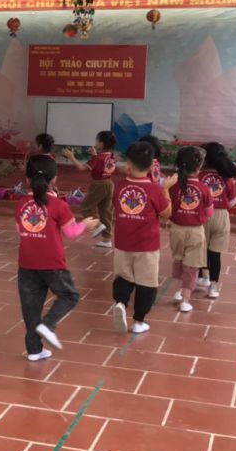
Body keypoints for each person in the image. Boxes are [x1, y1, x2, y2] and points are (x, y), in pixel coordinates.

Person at [16, 154, 99, 361]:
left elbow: (20, 230)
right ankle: (49, 324)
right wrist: (85, 224)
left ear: (27, 178)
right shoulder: (59, 205)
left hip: (26, 263)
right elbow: (71, 233)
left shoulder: (21, 203)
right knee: (70, 296)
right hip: (52, 263)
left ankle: (34, 351)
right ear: (54, 179)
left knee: (31, 308)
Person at [111, 142, 172, 334]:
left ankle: (121, 303)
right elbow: (166, 214)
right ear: (151, 165)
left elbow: (115, 207)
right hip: (147, 245)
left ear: (128, 165)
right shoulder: (155, 189)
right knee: (146, 282)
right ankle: (139, 321)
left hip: (122, 243)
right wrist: (167, 189)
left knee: (123, 277)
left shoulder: (119, 187)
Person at [168, 146, 214, 313]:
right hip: (195, 231)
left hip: (176, 229)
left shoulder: (173, 186)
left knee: (178, 260)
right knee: (192, 267)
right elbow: (209, 213)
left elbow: (167, 208)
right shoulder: (204, 188)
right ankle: (185, 300)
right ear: (199, 166)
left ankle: (178, 290)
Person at [61, 131, 118, 249]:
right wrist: (94, 154)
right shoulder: (111, 156)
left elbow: (81, 168)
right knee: (106, 212)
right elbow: (103, 165)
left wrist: (71, 157)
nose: (95, 142)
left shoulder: (97, 158)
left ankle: (98, 225)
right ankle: (107, 240)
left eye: (97, 140)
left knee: (85, 207)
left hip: (98, 185)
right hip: (109, 184)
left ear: (101, 143)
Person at [197, 142, 236, 298]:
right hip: (221, 216)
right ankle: (213, 288)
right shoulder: (227, 178)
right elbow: (232, 202)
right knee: (215, 254)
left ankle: (204, 277)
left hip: (202, 215)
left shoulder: (199, 176)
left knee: (201, 249)